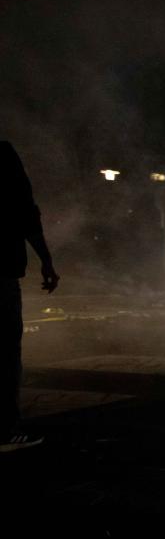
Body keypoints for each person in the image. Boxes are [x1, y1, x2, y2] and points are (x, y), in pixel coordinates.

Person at [1, 141, 59, 452]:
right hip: (1, 271)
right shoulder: (4, 156)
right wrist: (46, 261)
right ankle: (5, 430)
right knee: (5, 353)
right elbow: (25, 213)